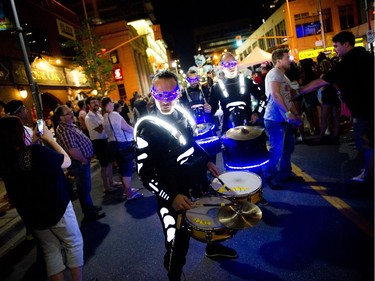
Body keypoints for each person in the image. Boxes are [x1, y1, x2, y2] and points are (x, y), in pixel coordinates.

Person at [134, 70, 237, 281]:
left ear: (178, 93)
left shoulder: (183, 115)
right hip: (172, 194)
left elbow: (191, 145)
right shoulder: (146, 128)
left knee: (210, 220)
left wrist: (207, 160)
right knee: (176, 243)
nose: (165, 100)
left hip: (195, 182)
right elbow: (144, 174)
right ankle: (174, 275)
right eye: (160, 94)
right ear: (152, 94)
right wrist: (171, 196)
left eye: (170, 94)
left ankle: (213, 247)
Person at [0, 116, 84, 281]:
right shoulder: (35, 152)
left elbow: (25, 163)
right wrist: (50, 140)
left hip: (33, 214)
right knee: (73, 243)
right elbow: (66, 161)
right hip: (56, 207)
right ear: (18, 133)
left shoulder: (6, 161)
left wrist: (33, 141)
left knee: (50, 250)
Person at [299, 31, 374, 183]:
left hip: (363, 109)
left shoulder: (346, 63)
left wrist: (298, 92)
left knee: (366, 143)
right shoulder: (369, 57)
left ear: (346, 44)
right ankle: (369, 168)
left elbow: (321, 82)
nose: (335, 50)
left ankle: (368, 173)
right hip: (367, 106)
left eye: (336, 46)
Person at [54, 105, 106, 221]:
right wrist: (83, 159)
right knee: (83, 188)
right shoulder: (64, 130)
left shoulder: (68, 125)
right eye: (68, 113)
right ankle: (89, 213)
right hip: (79, 163)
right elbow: (72, 150)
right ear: (61, 117)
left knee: (85, 188)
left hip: (81, 161)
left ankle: (90, 207)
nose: (72, 114)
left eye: (71, 111)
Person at [262, 48, 303, 190]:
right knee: (276, 150)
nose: (290, 60)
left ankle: (286, 173)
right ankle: (270, 177)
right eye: (287, 58)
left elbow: (288, 98)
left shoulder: (282, 76)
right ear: (278, 61)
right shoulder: (274, 73)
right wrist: (287, 114)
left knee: (287, 148)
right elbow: (275, 94)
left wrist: (295, 114)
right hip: (274, 119)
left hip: (283, 120)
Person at [101, 97, 143, 200]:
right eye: (112, 101)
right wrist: (136, 132)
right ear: (109, 103)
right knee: (127, 169)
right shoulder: (114, 115)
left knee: (121, 168)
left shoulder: (104, 116)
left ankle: (126, 190)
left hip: (112, 145)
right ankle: (129, 193)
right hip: (122, 144)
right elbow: (126, 128)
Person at [85, 97, 121, 193]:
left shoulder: (99, 115)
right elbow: (100, 129)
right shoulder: (89, 118)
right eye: (93, 102)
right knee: (104, 165)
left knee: (109, 163)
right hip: (98, 143)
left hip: (105, 141)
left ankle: (112, 182)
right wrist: (107, 119)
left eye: (96, 102)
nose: (96, 104)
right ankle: (106, 186)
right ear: (88, 105)